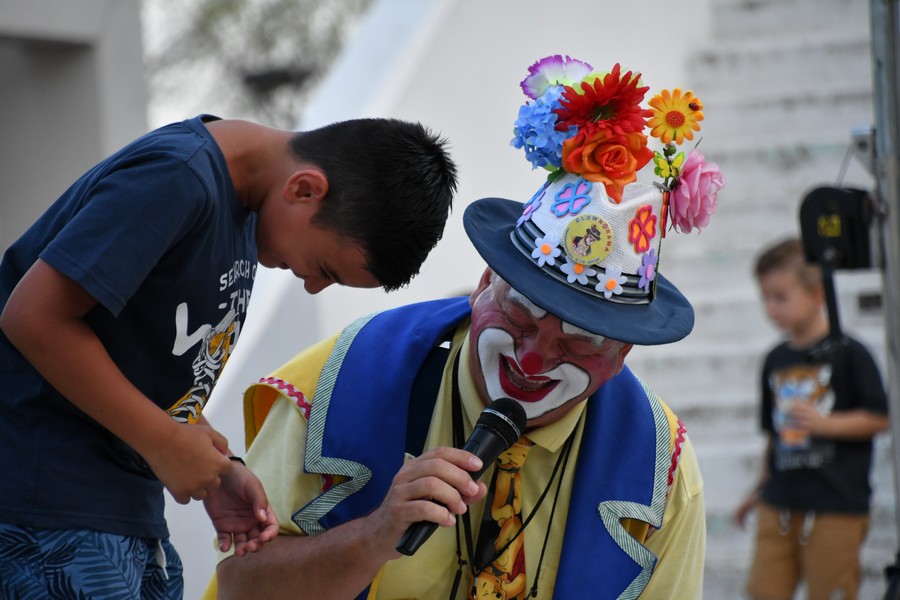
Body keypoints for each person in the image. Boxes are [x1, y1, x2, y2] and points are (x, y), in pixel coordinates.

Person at [208, 55, 725, 599]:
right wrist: (371, 536)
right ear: (483, 287)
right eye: (522, 313)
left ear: (621, 356)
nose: (533, 359)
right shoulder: (337, 384)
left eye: (581, 340)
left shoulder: (659, 468)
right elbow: (240, 587)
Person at [0, 114, 458, 598]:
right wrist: (163, 442)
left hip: (119, 514)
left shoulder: (246, 210)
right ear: (304, 189)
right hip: (45, 512)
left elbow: (133, 356)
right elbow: (32, 317)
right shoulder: (176, 177)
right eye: (325, 268)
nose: (312, 286)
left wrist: (213, 465)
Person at [733, 237, 889, 600]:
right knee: (764, 591)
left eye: (780, 297)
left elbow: (879, 417)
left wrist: (824, 425)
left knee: (830, 592)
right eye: (765, 297)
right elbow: (774, 435)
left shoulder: (850, 354)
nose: (770, 308)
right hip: (778, 504)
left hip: (835, 506)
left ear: (818, 295)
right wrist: (757, 490)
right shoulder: (775, 360)